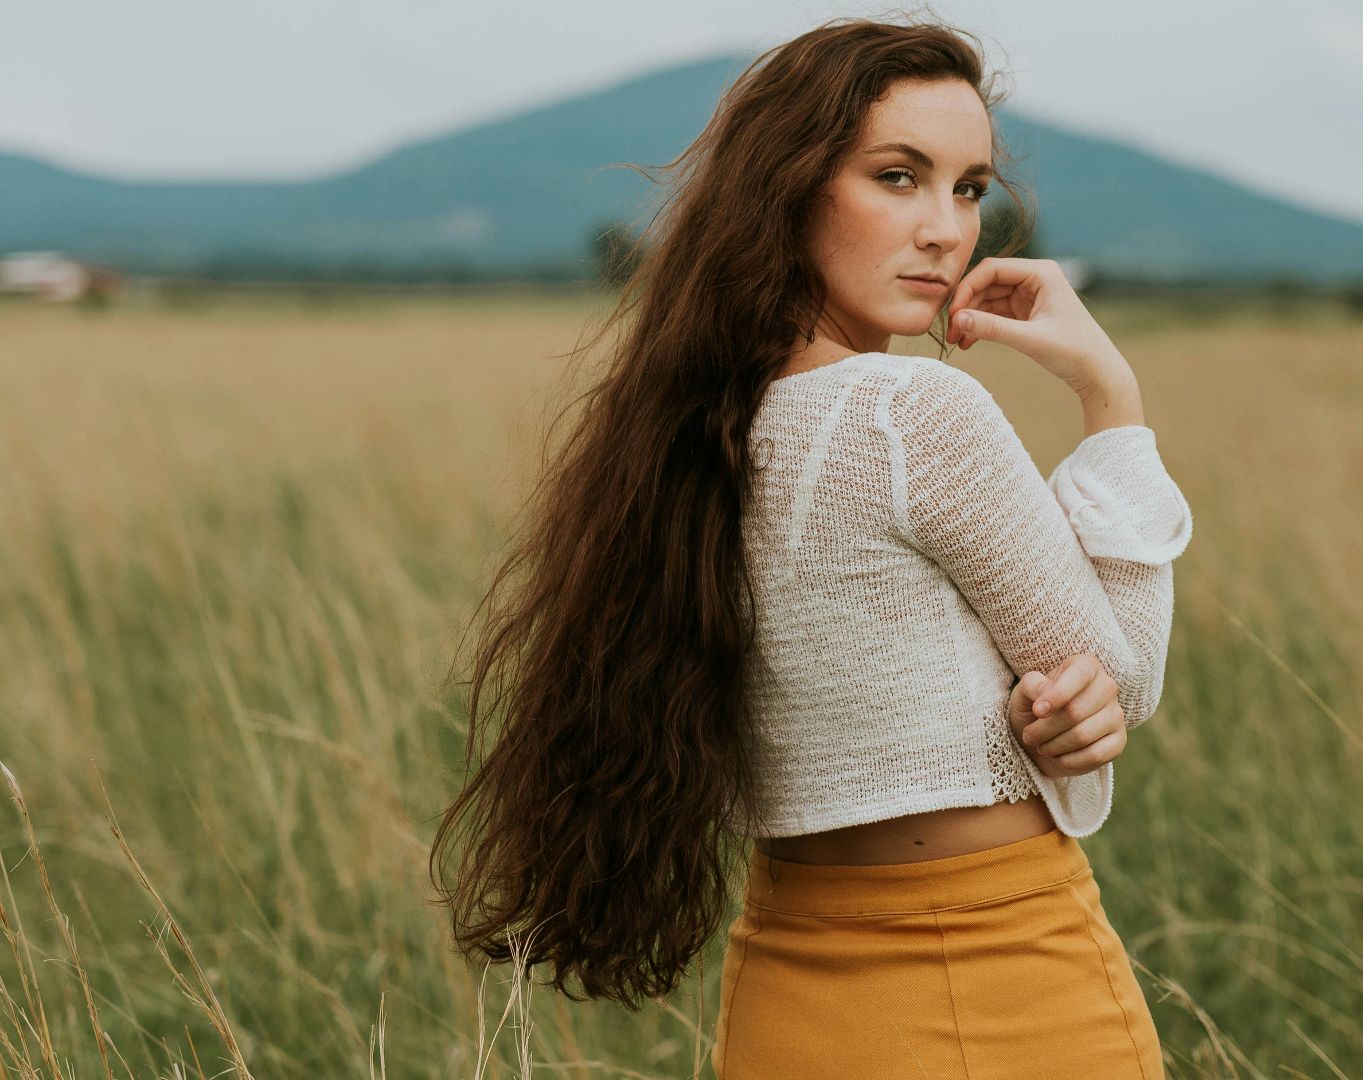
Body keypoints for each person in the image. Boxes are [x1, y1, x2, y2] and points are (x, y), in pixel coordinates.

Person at [429, 16, 1191, 1079]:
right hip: (999, 973)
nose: (945, 228)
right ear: (789, 188)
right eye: (897, 176)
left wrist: (1072, 707)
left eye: (970, 189)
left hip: (785, 988)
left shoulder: (690, 430)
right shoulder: (911, 410)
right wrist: (1113, 398)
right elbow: (1125, 677)